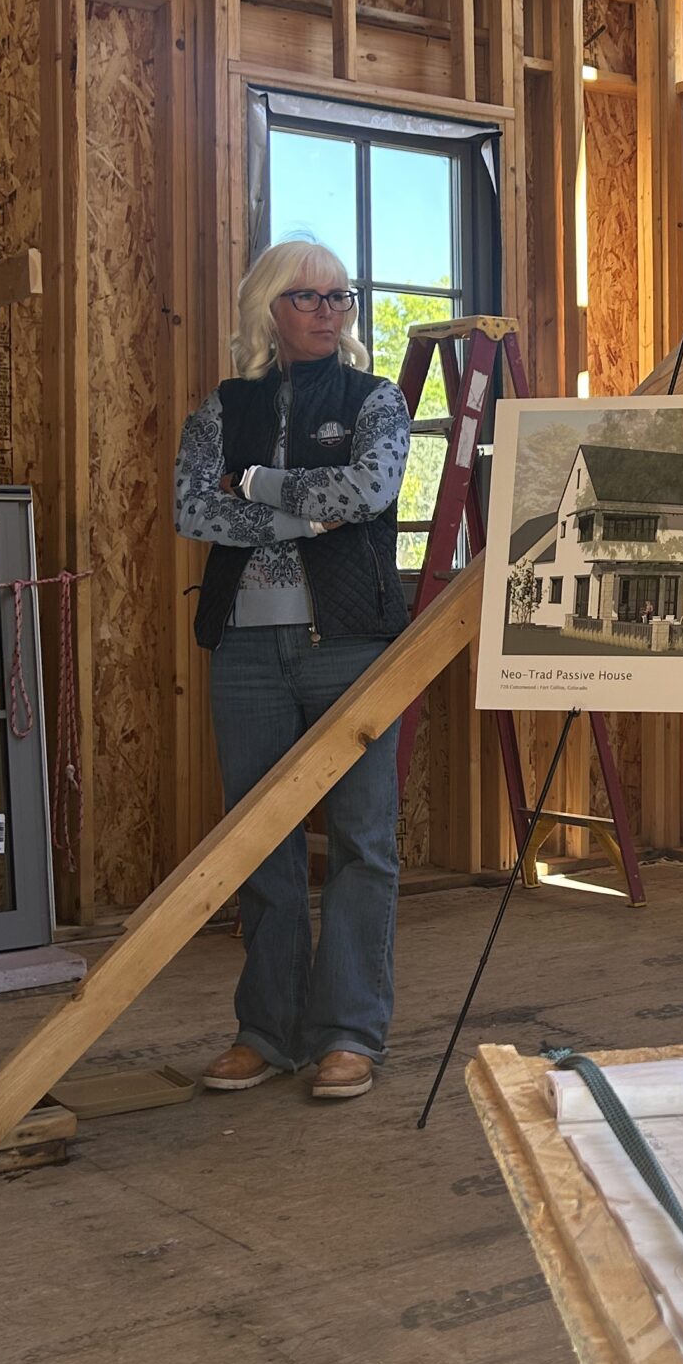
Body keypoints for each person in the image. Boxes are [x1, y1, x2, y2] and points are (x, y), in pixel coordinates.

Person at [175, 240, 411, 1099]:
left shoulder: (375, 399)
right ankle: (266, 1031)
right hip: (243, 650)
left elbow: (368, 494)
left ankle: (348, 1033)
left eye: (340, 297)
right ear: (269, 307)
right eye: (308, 297)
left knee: (363, 843)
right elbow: (191, 507)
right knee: (258, 842)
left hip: (351, 646)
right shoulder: (223, 405)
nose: (328, 312)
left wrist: (263, 484)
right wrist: (304, 519)